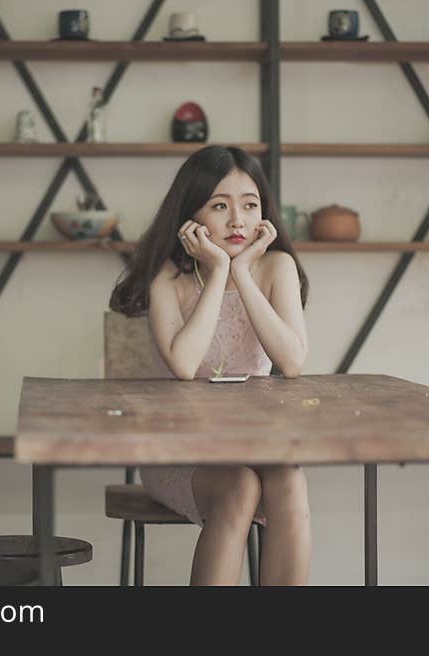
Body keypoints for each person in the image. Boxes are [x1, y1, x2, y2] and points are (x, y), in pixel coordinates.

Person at [109, 145, 311, 585]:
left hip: (251, 442)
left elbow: (293, 361)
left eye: (250, 206)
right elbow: (184, 365)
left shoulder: (278, 267)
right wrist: (219, 271)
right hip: (179, 450)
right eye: (220, 206)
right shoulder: (168, 276)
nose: (238, 221)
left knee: (289, 477)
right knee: (239, 487)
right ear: (191, 216)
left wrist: (243, 273)